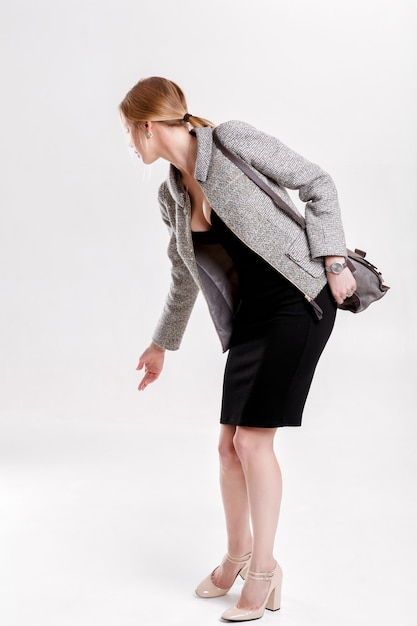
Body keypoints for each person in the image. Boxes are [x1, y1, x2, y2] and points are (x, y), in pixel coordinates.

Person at [119, 76, 356, 622]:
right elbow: (184, 273)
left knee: (251, 444)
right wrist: (160, 344)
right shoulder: (171, 195)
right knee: (227, 447)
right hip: (252, 321)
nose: (131, 145)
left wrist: (334, 260)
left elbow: (318, 182)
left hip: (300, 300)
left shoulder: (231, 141)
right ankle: (236, 555)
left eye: (130, 134)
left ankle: (266, 570)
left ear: (148, 126)